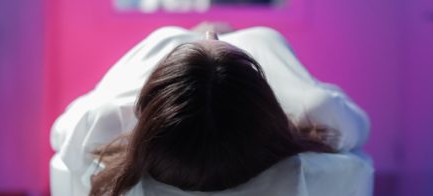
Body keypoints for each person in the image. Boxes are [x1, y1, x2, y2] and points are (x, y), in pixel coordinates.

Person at [50, 25, 373, 196]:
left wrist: (119, 106)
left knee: (165, 35)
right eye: (216, 40)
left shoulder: (111, 114)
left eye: (207, 39)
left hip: (167, 67)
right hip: (232, 80)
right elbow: (362, 127)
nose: (210, 32)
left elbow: (61, 133)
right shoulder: (314, 108)